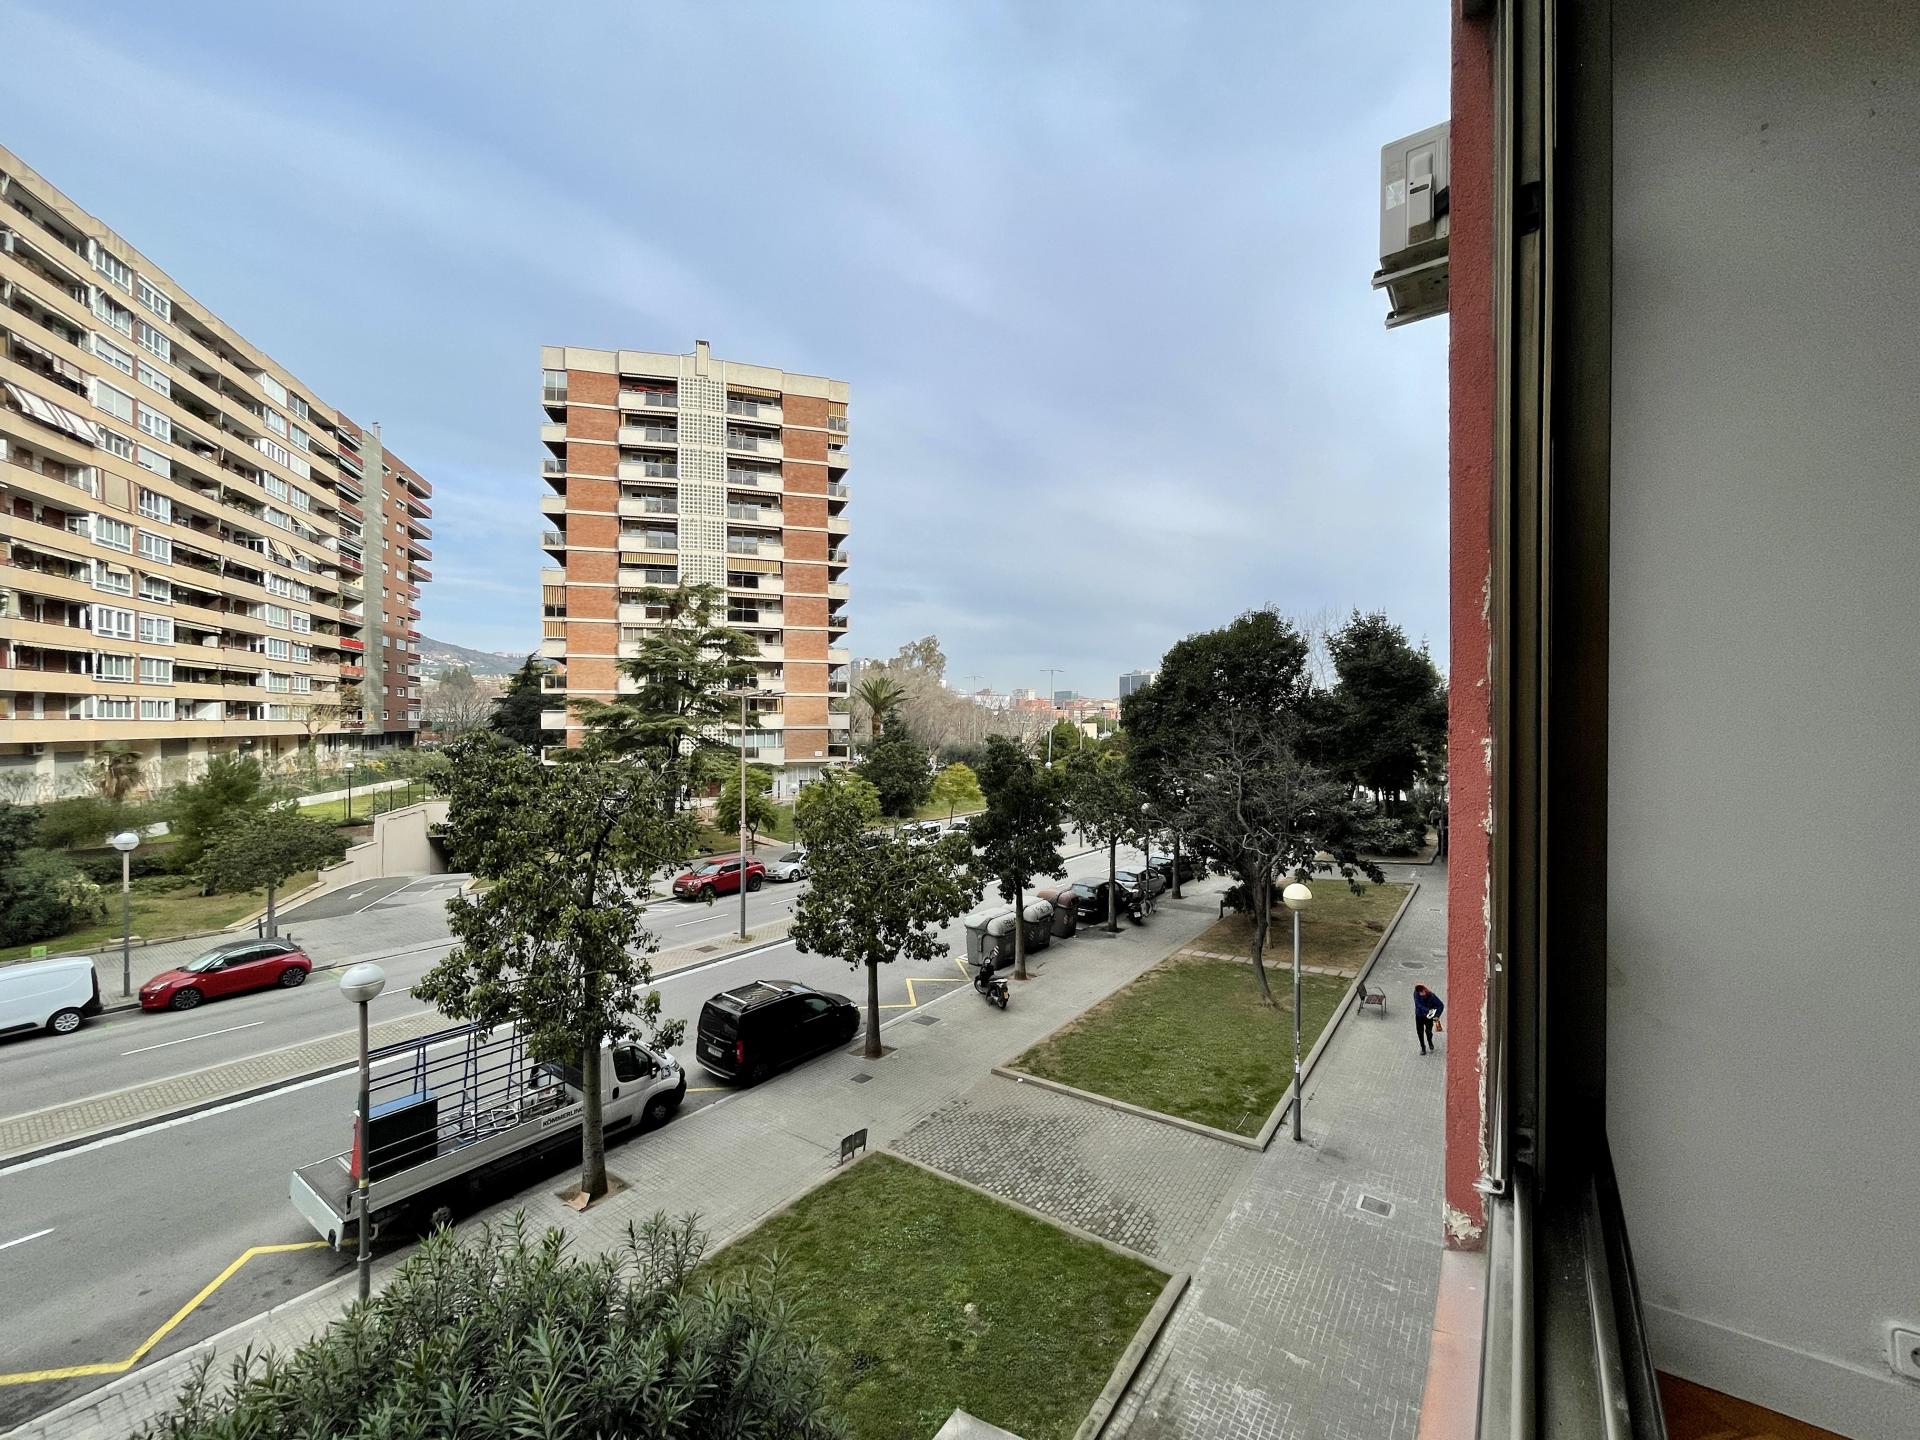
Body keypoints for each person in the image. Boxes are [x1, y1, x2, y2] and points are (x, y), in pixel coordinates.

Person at [1413, 983, 1445, 1054]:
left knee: (1428, 1031)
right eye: (1419, 992)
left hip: (1429, 1017)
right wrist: (1428, 1010)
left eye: (1422, 992)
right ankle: (1423, 1047)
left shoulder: (1431, 996)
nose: (1420, 994)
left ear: (1425, 990)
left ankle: (1430, 1041)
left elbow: (1441, 1005)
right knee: (1419, 1032)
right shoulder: (1416, 993)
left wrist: (1437, 1015)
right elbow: (1418, 1005)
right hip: (1419, 1016)